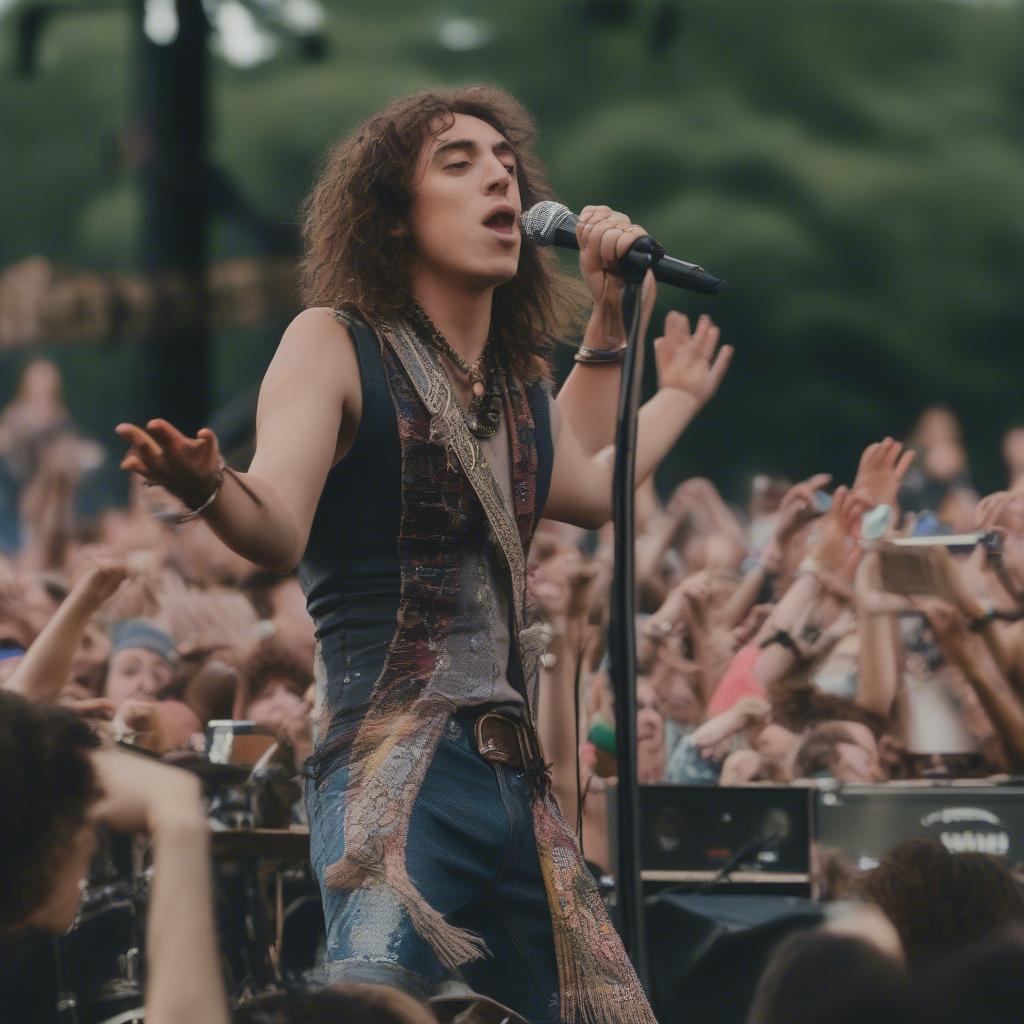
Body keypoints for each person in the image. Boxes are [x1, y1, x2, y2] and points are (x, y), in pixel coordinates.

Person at [116, 85, 731, 1024]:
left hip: (516, 781)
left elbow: (587, 487)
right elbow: (277, 524)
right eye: (459, 162)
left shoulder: (519, 379)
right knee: (367, 1008)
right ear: (393, 218)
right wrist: (210, 486)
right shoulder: (332, 342)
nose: (498, 174)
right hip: (393, 768)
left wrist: (610, 318)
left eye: (505, 162)